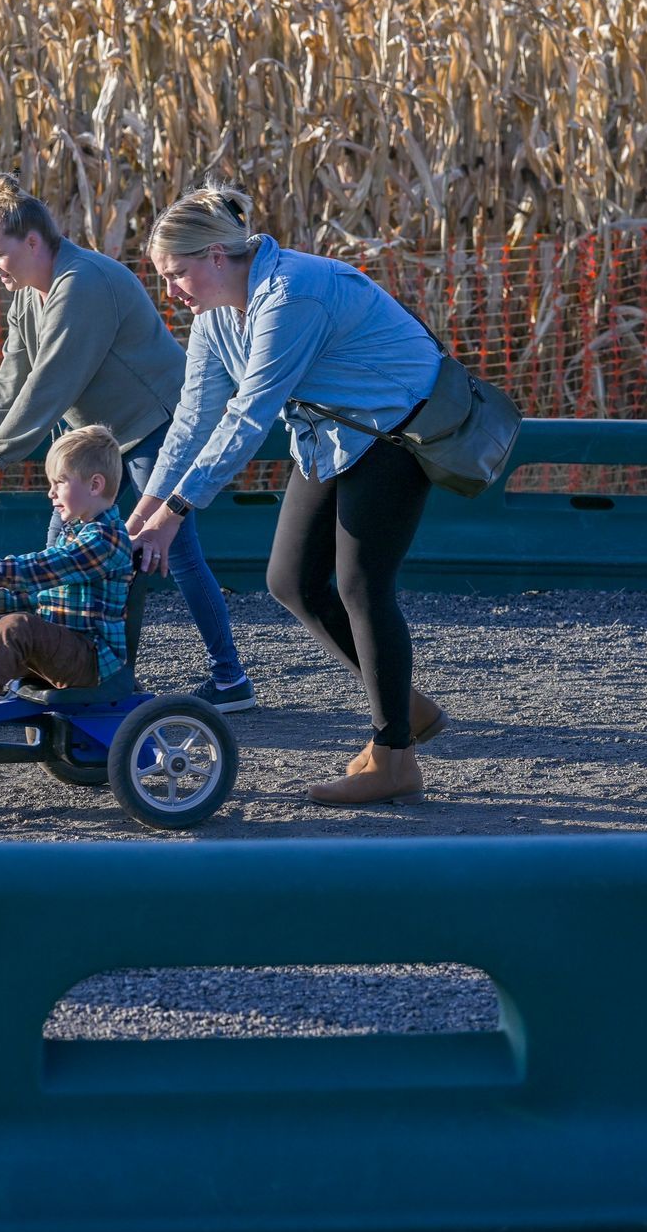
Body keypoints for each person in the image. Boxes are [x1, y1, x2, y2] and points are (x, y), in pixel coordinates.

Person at [128, 183, 452, 806]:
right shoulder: (214, 315)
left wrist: (176, 511)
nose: (170, 290)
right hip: (334, 429)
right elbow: (195, 416)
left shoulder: (290, 294)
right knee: (290, 580)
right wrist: (146, 507)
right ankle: (406, 706)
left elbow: (248, 417)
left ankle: (395, 760)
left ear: (218, 256)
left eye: (177, 273)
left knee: (361, 584)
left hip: (398, 426)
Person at [0, 172, 255, 713]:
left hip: (155, 427)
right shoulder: (29, 295)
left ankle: (229, 678)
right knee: (58, 549)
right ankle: (53, 665)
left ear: (34, 242)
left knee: (176, 551)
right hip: (93, 446)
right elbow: (12, 375)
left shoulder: (81, 283)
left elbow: (52, 381)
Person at [0, 425, 132, 747]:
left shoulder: (105, 541)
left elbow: (38, 570)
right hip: (58, 647)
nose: (51, 493)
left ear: (95, 484)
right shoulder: (73, 534)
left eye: (59, 483)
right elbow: (36, 597)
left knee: (17, 627)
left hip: (91, 658)